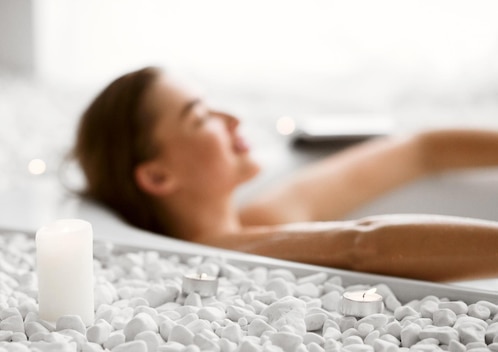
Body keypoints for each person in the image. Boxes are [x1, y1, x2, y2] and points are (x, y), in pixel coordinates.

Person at [72, 66, 498, 282]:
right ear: (158, 177)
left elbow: (419, 151)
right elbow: (362, 245)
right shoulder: (227, 251)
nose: (233, 118)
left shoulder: (263, 218)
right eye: (200, 116)